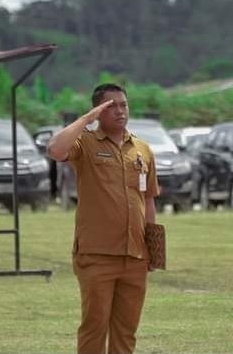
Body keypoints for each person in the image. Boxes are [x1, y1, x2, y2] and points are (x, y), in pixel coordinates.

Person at [47, 83, 160, 353]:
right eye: (112, 106)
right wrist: (86, 119)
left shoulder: (142, 149)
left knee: (126, 330)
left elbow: (148, 199)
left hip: (135, 255)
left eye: (124, 105)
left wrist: (154, 249)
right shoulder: (85, 143)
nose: (120, 111)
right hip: (97, 255)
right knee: (95, 325)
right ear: (98, 110)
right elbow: (55, 150)